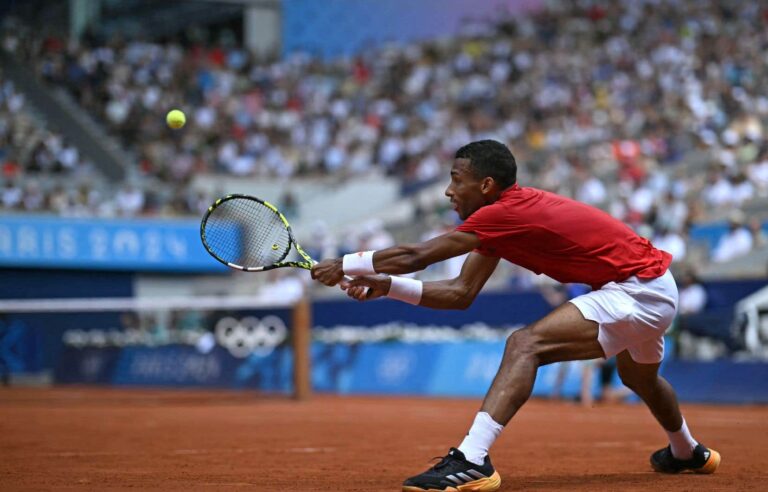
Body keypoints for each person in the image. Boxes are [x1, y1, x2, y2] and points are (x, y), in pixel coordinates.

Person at [312, 140, 720, 492]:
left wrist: (348, 263)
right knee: (638, 376)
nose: (448, 191)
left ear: (485, 185)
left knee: (525, 344)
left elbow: (416, 255)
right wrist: (387, 285)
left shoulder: (501, 214)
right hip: (651, 284)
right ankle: (687, 452)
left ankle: (471, 459)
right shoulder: (502, 220)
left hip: (639, 289)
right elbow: (459, 294)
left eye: (457, 179)